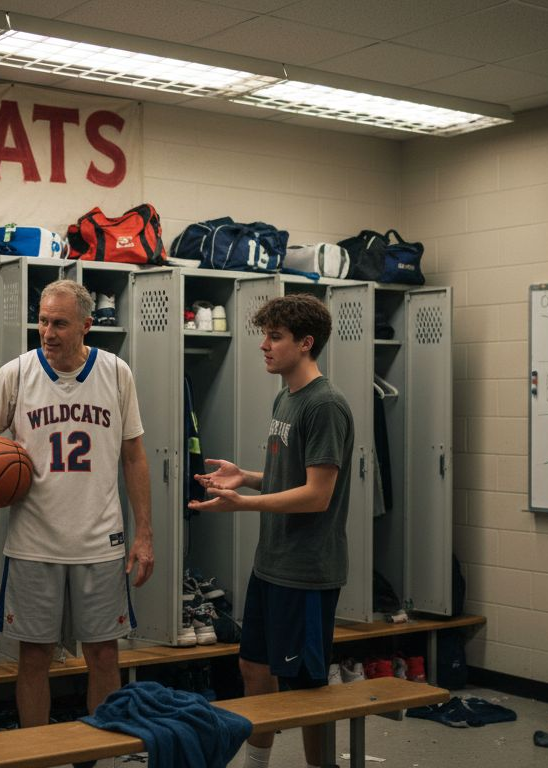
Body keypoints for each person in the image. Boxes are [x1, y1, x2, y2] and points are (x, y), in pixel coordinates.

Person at [0, 279, 154, 732]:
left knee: (103, 655)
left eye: (59, 323)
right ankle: (36, 755)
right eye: (42, 321)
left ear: (86, 326)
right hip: (33, 544)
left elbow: (134, 456)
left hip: (101, 542)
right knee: (34, 657)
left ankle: (105, 752)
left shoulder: (116, 372)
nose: (48, 332)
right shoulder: (17, 372)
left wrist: (144, 534)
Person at [188, 294, 354, 768]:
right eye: (264, 334)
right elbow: (292, 480)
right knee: (253, 668)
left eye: (274, 337)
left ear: (305, 343)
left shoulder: (325, 405)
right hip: (271, 563)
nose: (263, 345)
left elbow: (318, 495)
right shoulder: (287, 396)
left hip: (306, 570)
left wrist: (244, 503)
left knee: (307, 689)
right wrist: (246, 477)